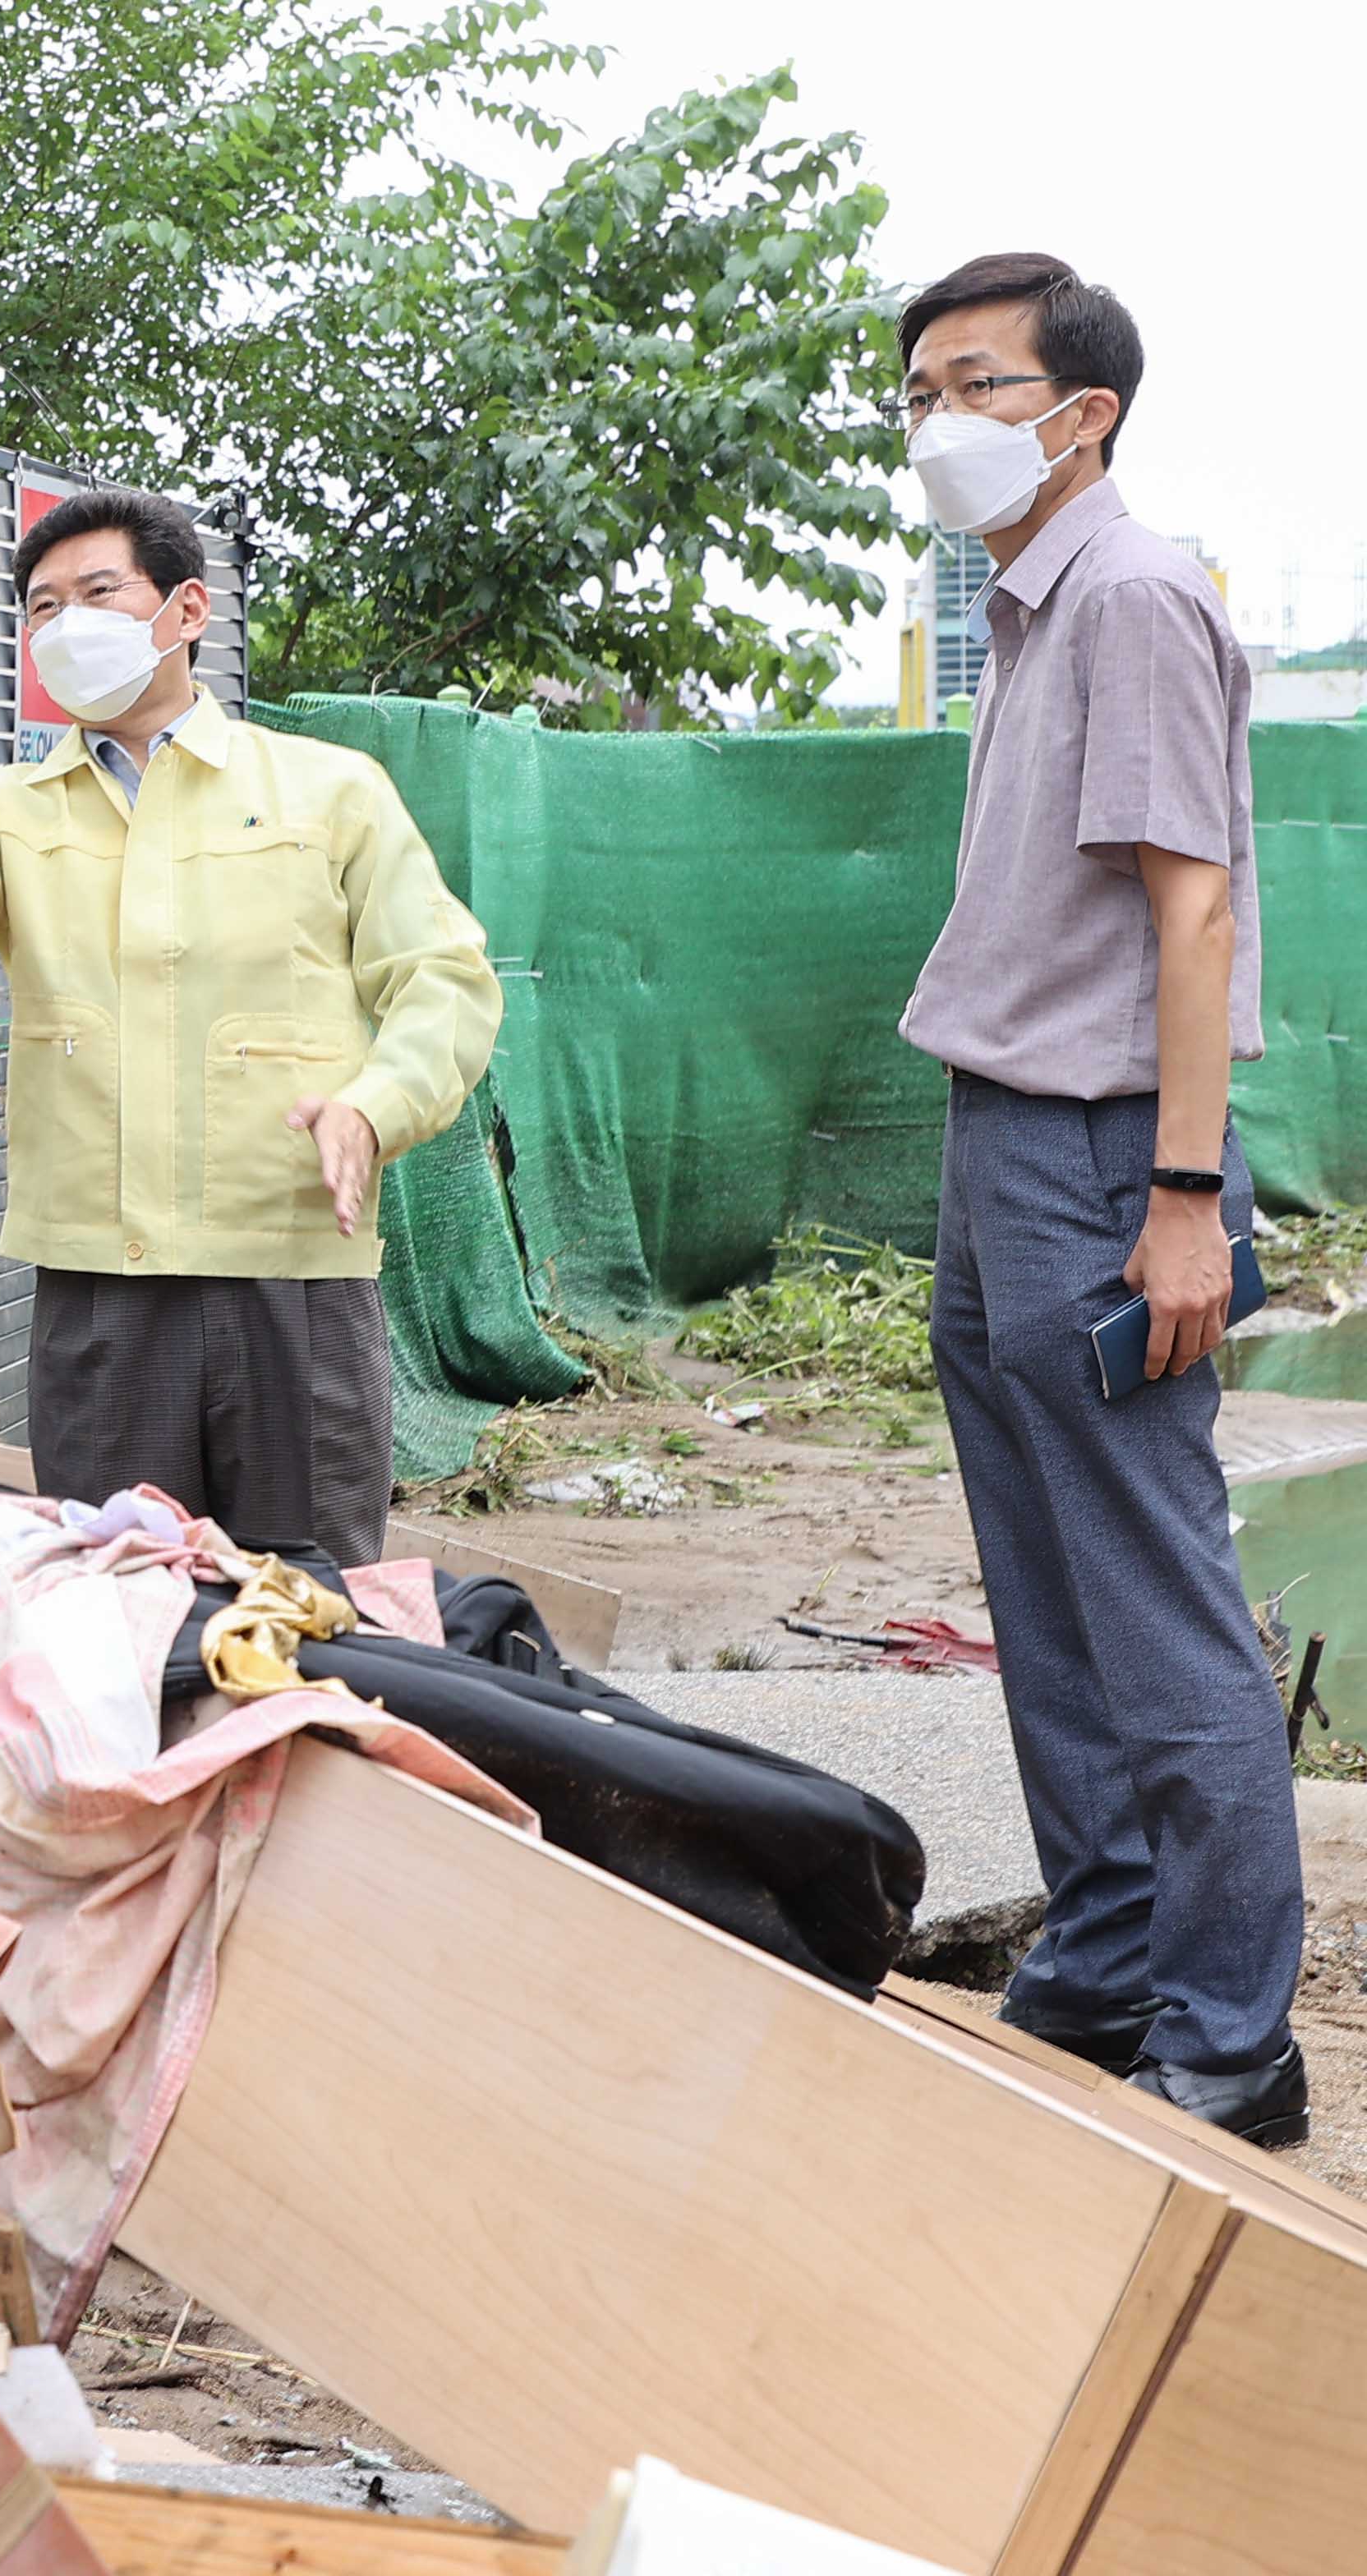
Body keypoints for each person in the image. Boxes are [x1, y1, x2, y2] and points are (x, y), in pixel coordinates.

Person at [889, 252, 1305, 2145]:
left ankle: (1231, 2033)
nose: (936, 423)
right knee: (1048, 1595)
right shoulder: (1027, 606)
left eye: (974, 384)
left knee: (1152, 1596)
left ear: (1083, 415)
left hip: (1098, 1150)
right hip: (1003, 1137)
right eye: (915, 391)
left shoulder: (1133, 594)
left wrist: (1188, 1195)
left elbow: (1194, 908)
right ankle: (1115, 1950)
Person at [0, 485, 498, 1564]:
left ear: (186, 612)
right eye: (41, 608)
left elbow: (445, 982)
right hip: (100, 1293)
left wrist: (374, 1108)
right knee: (118, 1606)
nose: (64, 624)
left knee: (310, 1596)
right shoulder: (12, 810)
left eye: (97, 592)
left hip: (293, 1276)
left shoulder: (328, 793)